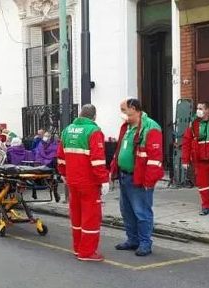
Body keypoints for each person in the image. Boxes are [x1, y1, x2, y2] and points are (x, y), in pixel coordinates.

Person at [109, 99, 163, 257]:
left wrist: (149, 181)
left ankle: (145, 243)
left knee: (142, 212)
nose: (122, 113)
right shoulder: (126, 127)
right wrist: (114, 170)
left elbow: (155, 158)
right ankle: (132, 240)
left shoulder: (151, 128)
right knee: (127, 211)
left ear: (134, 109)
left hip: (139, 179)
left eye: (123, 109)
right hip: (125, 176)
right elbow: (119, 150)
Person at [57, 104, 109, 262]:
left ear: (80, 114)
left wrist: (63, 173)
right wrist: (104, 180)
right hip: (89, 182)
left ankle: (78, 247)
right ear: (94, 117)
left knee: (77, 215)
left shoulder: (67, 131)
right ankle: (87, 252)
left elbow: (60, 156)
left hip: (72, 181)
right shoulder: (94, 131)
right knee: (91, 217)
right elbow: (98, 160)